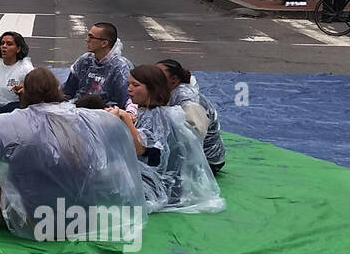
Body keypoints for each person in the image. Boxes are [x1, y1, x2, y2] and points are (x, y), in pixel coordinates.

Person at [0, 68, 146, 238]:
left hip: (35, 220)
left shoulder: (13, 123)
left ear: (25, 91)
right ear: (57, 89)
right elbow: (119, 127)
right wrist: (123, 116)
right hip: (82, 216)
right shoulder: (85, 117)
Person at [105, 65, 224, 213]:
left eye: (135, 85)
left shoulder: (157, 116)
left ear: (152, 88)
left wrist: (125, 119)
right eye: (128, 84)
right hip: (161, 180)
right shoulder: (151, 112)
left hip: (160, 186)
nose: (129, 89)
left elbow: (140, 149)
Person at [157, 59, 226, 174]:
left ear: (174, 79)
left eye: (159, 75)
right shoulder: (170, 92)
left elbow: (194, 136)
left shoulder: (189, 101)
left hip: (207, 161)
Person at [61, 21, 135, 110]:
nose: (87, 40)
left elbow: (127, 100)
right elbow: (68, 91)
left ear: (104, 43)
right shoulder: (84, 61)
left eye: (91, 37)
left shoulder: (120, 68)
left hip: (106, 116)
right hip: (79, 111)